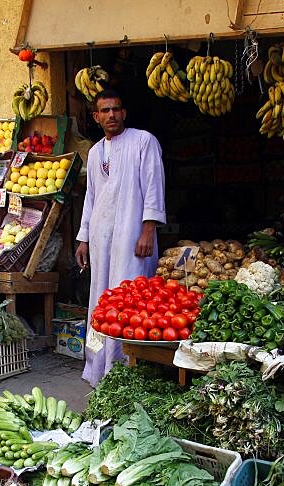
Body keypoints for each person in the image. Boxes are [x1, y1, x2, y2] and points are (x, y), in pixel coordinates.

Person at [75, 90, 167, 386]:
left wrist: (148, 229)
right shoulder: (94, 152)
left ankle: (128, 367)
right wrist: (83, 238)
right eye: (105, 111)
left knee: (131, 299)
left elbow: (153, 185)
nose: (111, 115)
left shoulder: (143, 141)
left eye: (116, 109)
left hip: (132, 236)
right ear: (96, 117)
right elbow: (90, 198)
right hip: (102, 238)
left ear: (124, 113)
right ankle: (97, 365)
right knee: (100, 301)